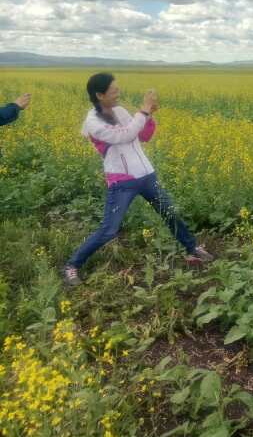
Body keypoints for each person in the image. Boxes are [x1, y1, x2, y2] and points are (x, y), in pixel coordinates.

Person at [63, 73, 212, 287]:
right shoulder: (93, 122)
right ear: (99, 95)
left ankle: (192, 249)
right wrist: (142, 111)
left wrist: (149, 116)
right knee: (109, 230)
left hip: (146, 175)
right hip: (122, 181)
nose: (118, 94)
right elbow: (123, 135)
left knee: (170, 213)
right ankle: (72, 266)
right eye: (114, 91)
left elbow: (143, 135)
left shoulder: (120, 111)